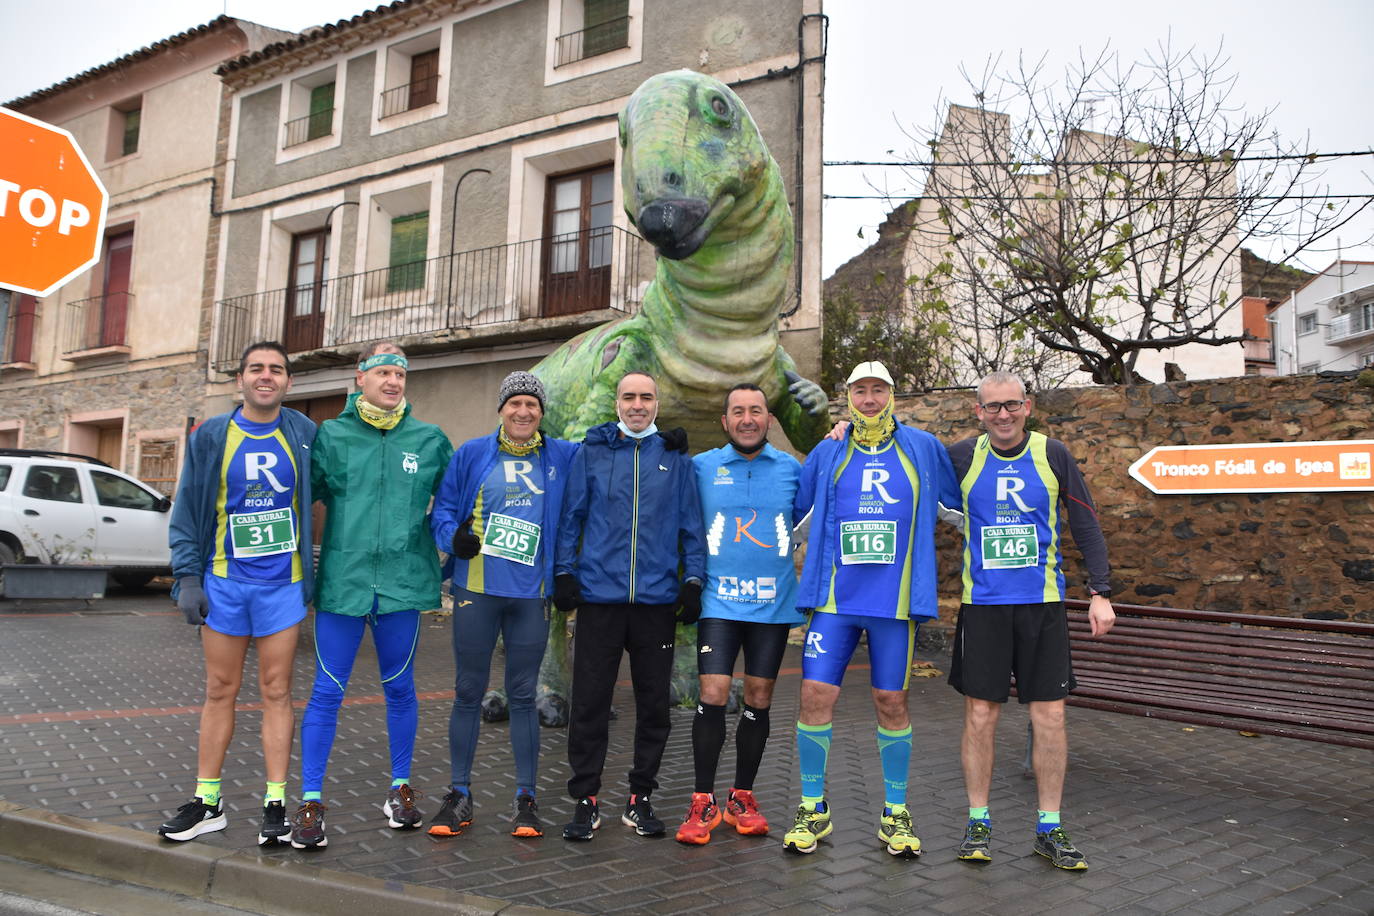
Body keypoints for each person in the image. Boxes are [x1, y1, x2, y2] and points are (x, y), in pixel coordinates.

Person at [784, 360, 959, 857]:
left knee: (892, 702)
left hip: (894, 603)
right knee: (815, 694)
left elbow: (957, 506)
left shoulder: (923, 447)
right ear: (847, 398)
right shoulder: (828, 448)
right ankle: (813, 808)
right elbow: (798, 517)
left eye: (877, 390)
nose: (868, 400)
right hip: (835, 601)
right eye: (859, 391)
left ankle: (896, 813)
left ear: (892, 395)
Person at [946, 371, 1115, 870]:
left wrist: (1100, 592)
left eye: (1012, 405)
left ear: (1028, 406)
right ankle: (978, 823)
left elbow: (1084, 519)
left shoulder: (1053, 453)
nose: (1003, 415)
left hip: (1042, 605)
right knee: (981, 715)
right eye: (993, 407)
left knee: (1051, 715)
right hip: (984, 607)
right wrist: (843, 432)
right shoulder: (960, 456)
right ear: (978, 412)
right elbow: (899, 463)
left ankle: (1050, 827)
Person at [289, 343, 452, 850]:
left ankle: (400, 789)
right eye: (382, 373)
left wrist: (446, 548)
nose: (392, 382)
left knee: (401, 689)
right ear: (359, 378)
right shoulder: (331, 437)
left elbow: (452, 505)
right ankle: (311, 800)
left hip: (401, 587)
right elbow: (295, 500)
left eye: (399, 375)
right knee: (326, 692)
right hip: (343, 584)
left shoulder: (429, 440)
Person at [160, 341, 316, 846]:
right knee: (219, 690)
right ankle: (208, 802)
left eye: (276, 369)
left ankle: (276, 803)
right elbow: (187, 509)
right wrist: (186, 576)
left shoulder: (305, 434)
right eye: (256, 369)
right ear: (240, 381)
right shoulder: (211, 435)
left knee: (277, 692)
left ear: (289, 382)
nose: (266, 376)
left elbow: (341, 490)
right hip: (224, 581)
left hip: (283, 585)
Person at [553, 370, 705, 841]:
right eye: (628, 397)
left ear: (657, 403)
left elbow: (691, 527)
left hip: (656, 604)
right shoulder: (593, 452)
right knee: (590, 704)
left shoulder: (676, 458)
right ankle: (586, 800)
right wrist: (563, 571)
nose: (637, 405)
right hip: (599, 599)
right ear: (616, 403)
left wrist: (694, 580)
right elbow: (571, 516)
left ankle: (641, 799)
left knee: (654, 706)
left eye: (646, 397)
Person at [426, 371, 578, 839]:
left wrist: (667, 445)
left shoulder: (562, 456)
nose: (524, 412)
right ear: (501, 409)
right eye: (515, 403)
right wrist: (453, 537)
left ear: (542, 413)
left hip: (530, 595)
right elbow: (444, 510)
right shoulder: (472, 453)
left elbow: (607, 448)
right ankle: (458, 794)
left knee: (523, 694)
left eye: (533, 404)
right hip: (477, 591)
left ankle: (526, 798)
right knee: (468, 690)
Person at [675, 383, 805, 845]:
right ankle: (701, 800)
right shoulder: (700, 467)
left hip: (772, 606)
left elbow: (819, 516)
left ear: (769, 420)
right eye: (737, 412)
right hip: (718, 603)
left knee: (759, 697)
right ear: (725, 422)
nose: (747, 418)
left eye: (756, 411)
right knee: (712, 692)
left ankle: (741, 796)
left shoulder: (792, 470)